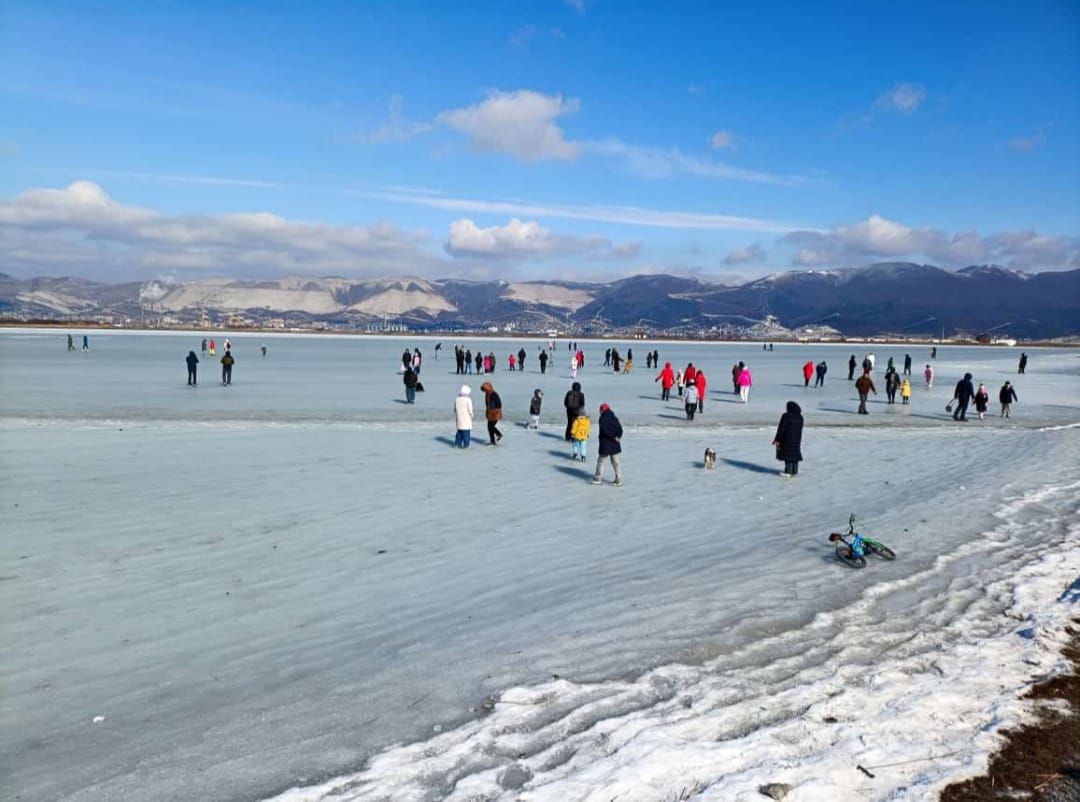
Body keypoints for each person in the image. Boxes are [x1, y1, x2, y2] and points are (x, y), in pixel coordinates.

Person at [591, 403, 623, 486]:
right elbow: (620, 429)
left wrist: (612, 437)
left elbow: (604, 431)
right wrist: (617, 437)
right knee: (616, 462)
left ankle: (598, 478)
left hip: (606, 443)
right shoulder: (614, 418)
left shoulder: (602, 418)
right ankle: (618, 479)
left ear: (602, 410)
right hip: (614, 443)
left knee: (601, 461)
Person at [772, 401, 804, 478]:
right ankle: (794, 471)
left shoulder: (786, 416)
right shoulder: (800, 417)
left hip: (786, 439)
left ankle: (788, 471)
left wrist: (777, 439)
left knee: (788, 454)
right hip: (797, 439)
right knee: (795, 454)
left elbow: (781, 429)